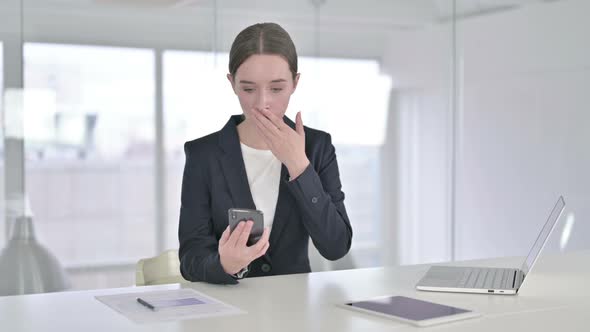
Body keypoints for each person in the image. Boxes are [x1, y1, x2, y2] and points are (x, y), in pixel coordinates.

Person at [178, 22, 352, 284]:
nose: (262, 103)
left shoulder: (317, 147)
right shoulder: (203, 154)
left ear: (295, 82)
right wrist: (224, 264)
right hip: (227, 314)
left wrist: (299, 166)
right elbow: (190, 259)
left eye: (276, 88)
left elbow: (336, 247)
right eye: (248, 89)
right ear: (232, 83)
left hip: (294, 311)